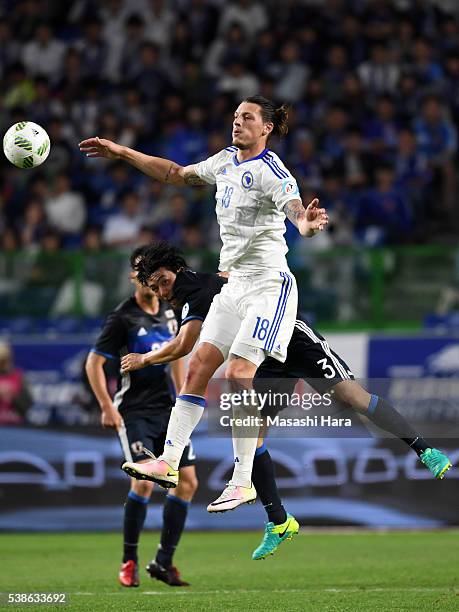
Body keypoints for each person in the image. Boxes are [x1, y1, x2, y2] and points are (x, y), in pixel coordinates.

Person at [120, 241, 451, 561]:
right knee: (255, 433)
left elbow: (183, 346)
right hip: (264, 359)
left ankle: (425, 450)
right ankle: (278, 521)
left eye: (164, 282)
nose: (163, 293)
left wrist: (145, 359)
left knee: (353, 398)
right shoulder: (197, 290)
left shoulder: (193, 292)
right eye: (155, 289)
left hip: (292, 339)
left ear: (178, 270)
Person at [79, 94, 329, 512]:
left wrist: (304, 222)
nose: (237, 123)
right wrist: (122, 152)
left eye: (247, 117)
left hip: (269, 287)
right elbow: (175, 173)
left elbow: (295, 209)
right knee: (197, 366)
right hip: (233, 285)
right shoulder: (225, 160)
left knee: (237, 372)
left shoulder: (273, 171)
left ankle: (243, 480)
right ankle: (168, 463)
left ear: (266, 127)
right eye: (235, 116)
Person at [85, 246, 197, 588]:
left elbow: (177, 354)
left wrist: (183, 397)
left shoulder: (169, 310)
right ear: (134, 277)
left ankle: (163, 561)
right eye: (141, 271)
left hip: (168, 411)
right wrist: (106, 406)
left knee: (188, 483)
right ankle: (129, 561)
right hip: (135, 411)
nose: (148, 277)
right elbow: (94, 363)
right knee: (144, 482)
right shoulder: (122, 318)